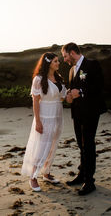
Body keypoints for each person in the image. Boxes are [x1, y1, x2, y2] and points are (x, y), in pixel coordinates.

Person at [62, 42, 107, 195]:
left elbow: (99, 86)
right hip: (77, 114)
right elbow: (73, 88)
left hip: (91, 111)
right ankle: (82, 175)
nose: (65, 60)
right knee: (81, 146)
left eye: (65, 56)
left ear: (73, 52)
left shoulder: (92, 64)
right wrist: (69, 96)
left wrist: (80, 92)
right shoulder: (71, 70)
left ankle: (90, 181)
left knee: (88, 145)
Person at [21, 52, 67, 192]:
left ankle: (46, 173)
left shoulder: (58, 78)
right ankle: (33, 177)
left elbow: (63, 97)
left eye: (58, 61)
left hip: (57, 114)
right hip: (44, 115)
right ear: (48, 63)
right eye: (55, 61)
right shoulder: (39, 79)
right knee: (41, 146)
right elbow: (35, 101)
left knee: (53, 144)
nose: (58, 63)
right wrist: (38, 122)